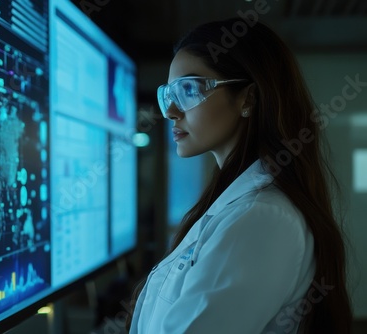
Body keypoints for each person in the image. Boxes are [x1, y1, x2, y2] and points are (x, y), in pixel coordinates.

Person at [128, 17, 352, 334]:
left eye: (189, 89)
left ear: (247, 98)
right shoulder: (237, 203)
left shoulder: (261, 218)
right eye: (169, 94)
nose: (171, 111)